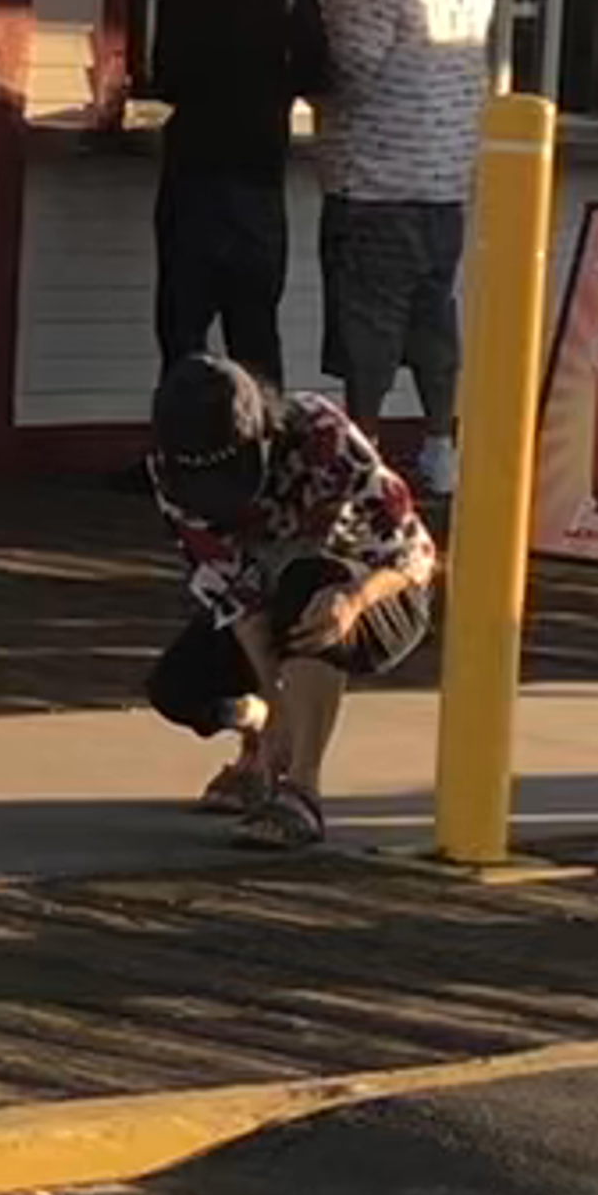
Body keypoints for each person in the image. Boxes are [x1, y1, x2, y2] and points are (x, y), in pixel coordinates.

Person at [141, 351, 440, 845]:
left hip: (377, 591)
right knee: (177, 687)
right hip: (271, 595)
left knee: (310, 585)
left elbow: (413, 551)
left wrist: (355, 599)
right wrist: (274, 703)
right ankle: (260, 746)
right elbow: (234, 594)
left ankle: (302, 790)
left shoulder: (324, 435)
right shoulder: (169, 473)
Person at [310, 0, 497, 498]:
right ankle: (441, 448)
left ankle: (364, 459)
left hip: (374, 178)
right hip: (446, 178)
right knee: (432, 317)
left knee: (369, 329)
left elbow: (348, 70)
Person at [140, 0, 328, 381]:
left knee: (183, 333)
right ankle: (262, 453)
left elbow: (166, 77)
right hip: (258, 173)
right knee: (255, 334)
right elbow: (316, 76)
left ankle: (184, 454)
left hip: (192, 173)